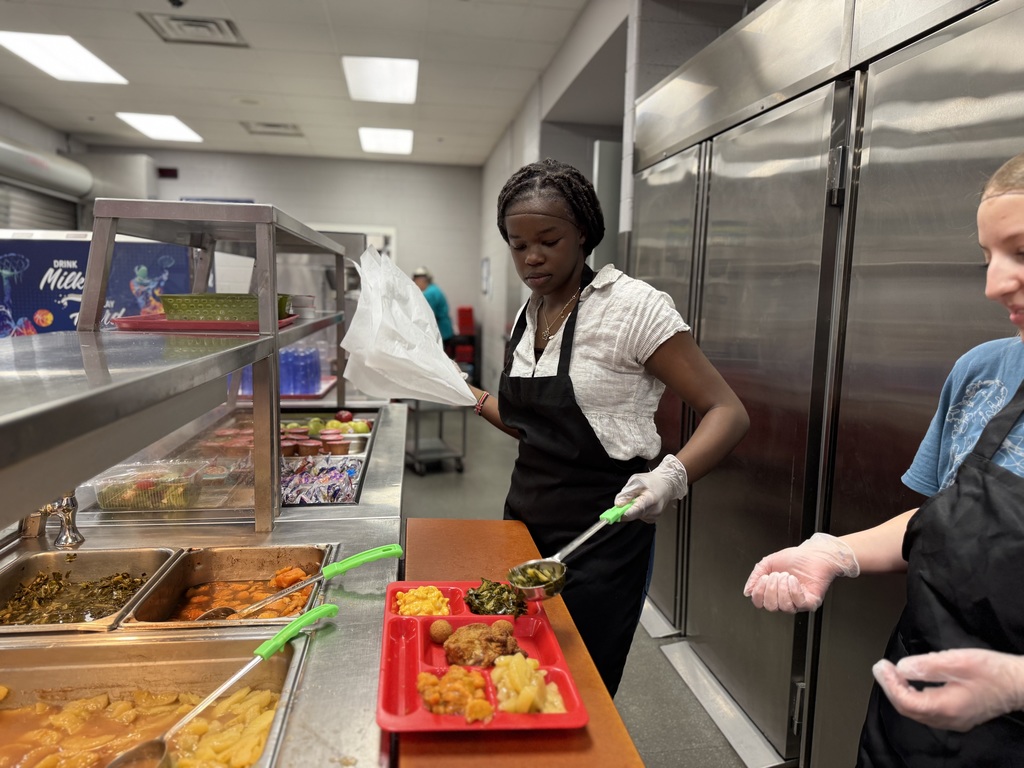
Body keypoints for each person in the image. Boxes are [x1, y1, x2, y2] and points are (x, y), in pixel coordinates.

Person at [743, 151, 1024, 765]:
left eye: (1022, 253)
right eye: (988, 257)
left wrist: (1016, 685)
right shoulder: (983, 372)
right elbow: (942, 524)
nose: (994, 283)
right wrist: (836, 552)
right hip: (910, 722)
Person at [466, 158, 749, 695]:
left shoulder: (632, 308)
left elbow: (728, 412)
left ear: (584, 234)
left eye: (548, 240)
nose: (531, 257)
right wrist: (471, 396)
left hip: (603, 536)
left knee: (578, 692)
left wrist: (672, 476)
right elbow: (536, 429)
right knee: (513, 675)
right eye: (517, 244)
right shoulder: (529, 315)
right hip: (522, 524)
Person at [411, 266, 454, 352]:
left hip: (441, 332)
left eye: (415, 281)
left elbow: (425, 315)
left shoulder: (430, 293)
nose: (415, 284)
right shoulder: (434, 289)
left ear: (422, 280)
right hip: (445, 330)